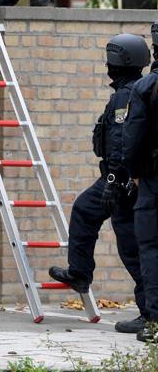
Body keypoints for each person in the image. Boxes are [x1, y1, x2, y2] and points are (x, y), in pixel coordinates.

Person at [48, 33, 149, 334]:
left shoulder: (125, 96)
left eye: (110, 60)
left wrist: (113, 182)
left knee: (132, 248)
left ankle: (149, 313)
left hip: (120, 181)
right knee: (84, 210)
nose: (107, 65)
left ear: (118, 62)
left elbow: (120, 142)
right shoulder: (134, 91)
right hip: (120, 177)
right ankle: (79, 272)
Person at [123, 21, 158, 343]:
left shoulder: (147, 86)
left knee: (151, 247)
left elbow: (133, 139)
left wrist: (134, 171)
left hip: (153, 179)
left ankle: (156, 321)